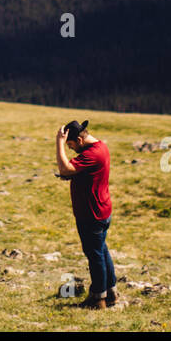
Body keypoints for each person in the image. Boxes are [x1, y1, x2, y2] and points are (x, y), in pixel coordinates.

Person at [54, 119, 115, 309]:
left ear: (79, 141)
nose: (71, 150)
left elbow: (65, 168)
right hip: (101, 209)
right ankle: (111, 293)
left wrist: (58, 142)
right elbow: (79, 171)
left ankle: (98, 299)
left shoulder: (91, 153)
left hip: (91, 214)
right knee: (101, 251)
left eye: (71, 146)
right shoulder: (101, 147)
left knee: (94, 254)